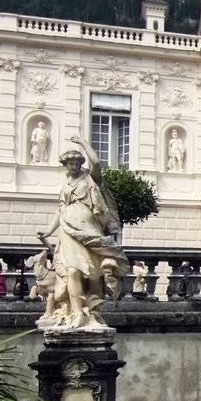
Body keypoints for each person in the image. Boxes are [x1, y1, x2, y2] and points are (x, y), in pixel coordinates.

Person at [36, 135, 129, 331]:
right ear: (65, 164)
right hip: (68, 230)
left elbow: (95, 161)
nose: (73, 165)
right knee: (72, 271)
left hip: (89, 228)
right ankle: (77, 312)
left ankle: (92, 311)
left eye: (76, 162)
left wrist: (82, 143)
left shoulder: (90, 178)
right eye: (69, 162)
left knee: (93, 274)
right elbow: (60, 211)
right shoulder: (65, 186)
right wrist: (48, 231)